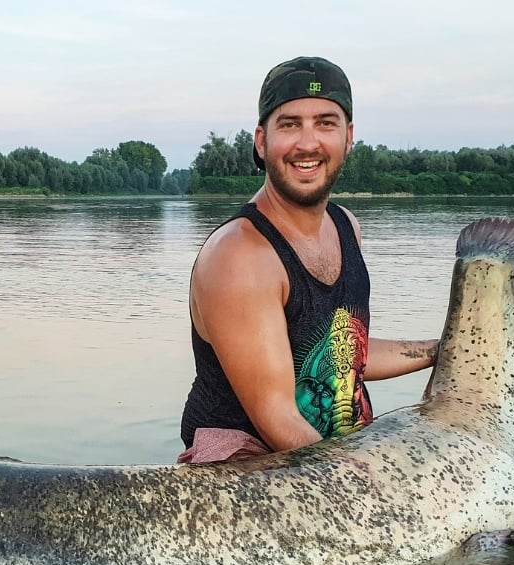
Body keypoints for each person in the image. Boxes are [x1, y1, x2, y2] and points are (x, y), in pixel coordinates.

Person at [179, 56, 438, 463]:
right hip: (252, 472)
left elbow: (342, 357)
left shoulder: (345, 226)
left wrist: (442, 350)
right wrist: (374, 479)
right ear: (261, 141)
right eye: (290, 124)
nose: (307, 143)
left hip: (333, 454)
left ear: (348, 137)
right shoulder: (241, 257)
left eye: (325, 122)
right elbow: (278, 419)